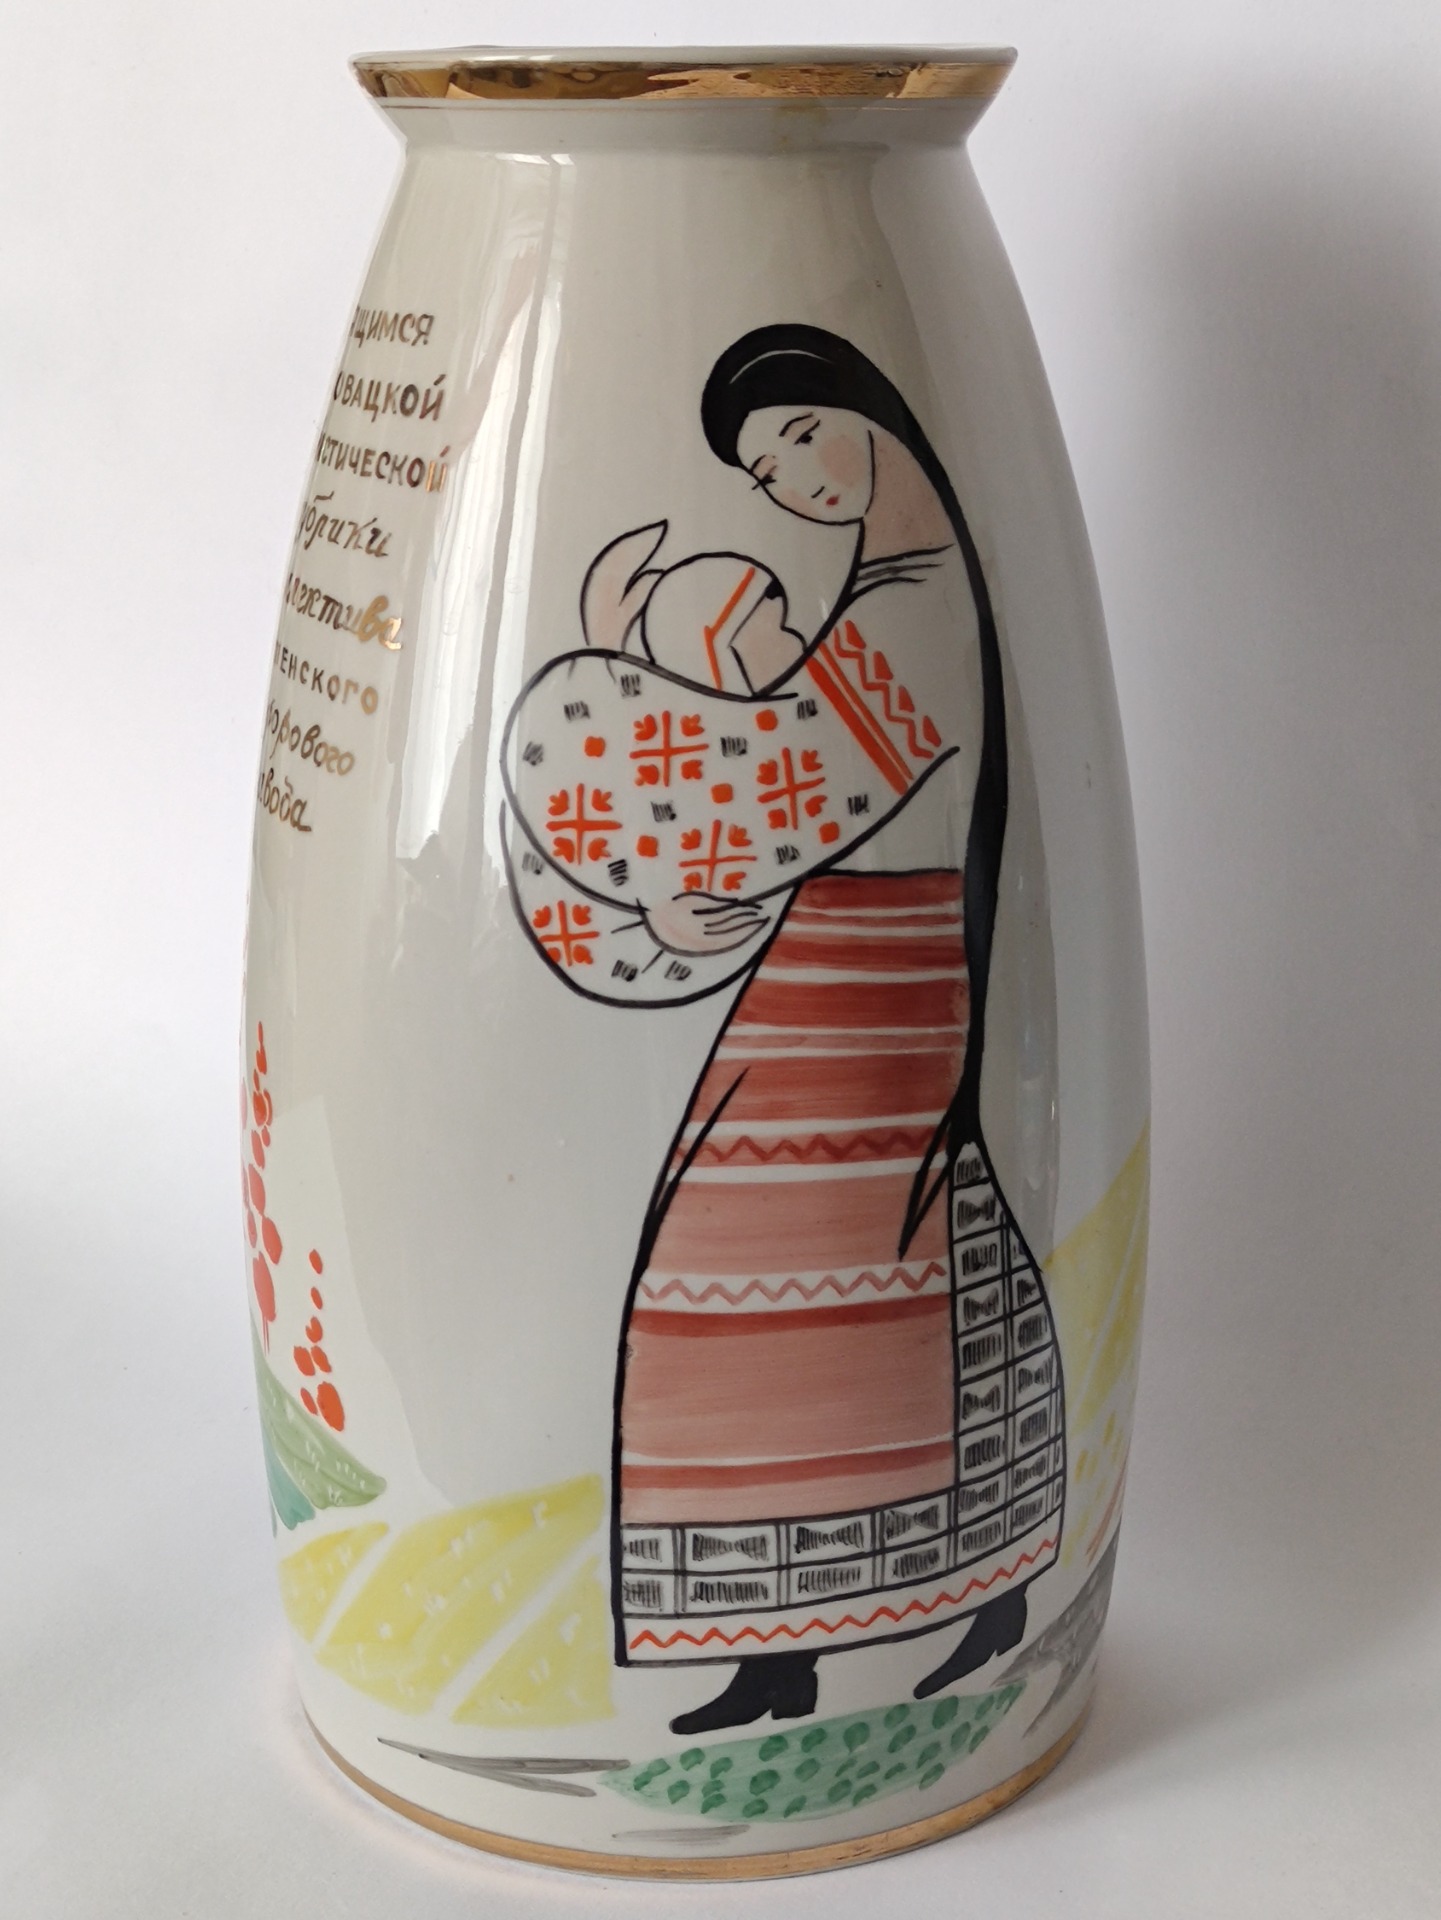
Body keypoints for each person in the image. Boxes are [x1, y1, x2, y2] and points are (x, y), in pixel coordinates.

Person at [501, 325, 1065, 1734]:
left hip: (882, 970)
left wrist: (612, 708)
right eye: (763, 473)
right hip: (834, 955)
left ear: (857, 405)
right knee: (870, 1252)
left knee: (806, 1259)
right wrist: (687, 873)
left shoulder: (919, 600)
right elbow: (778, 787)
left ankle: (952, 1599)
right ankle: (786, 1643)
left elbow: (783, 784)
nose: (791, 483)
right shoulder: (881, 591)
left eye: (797, 439)